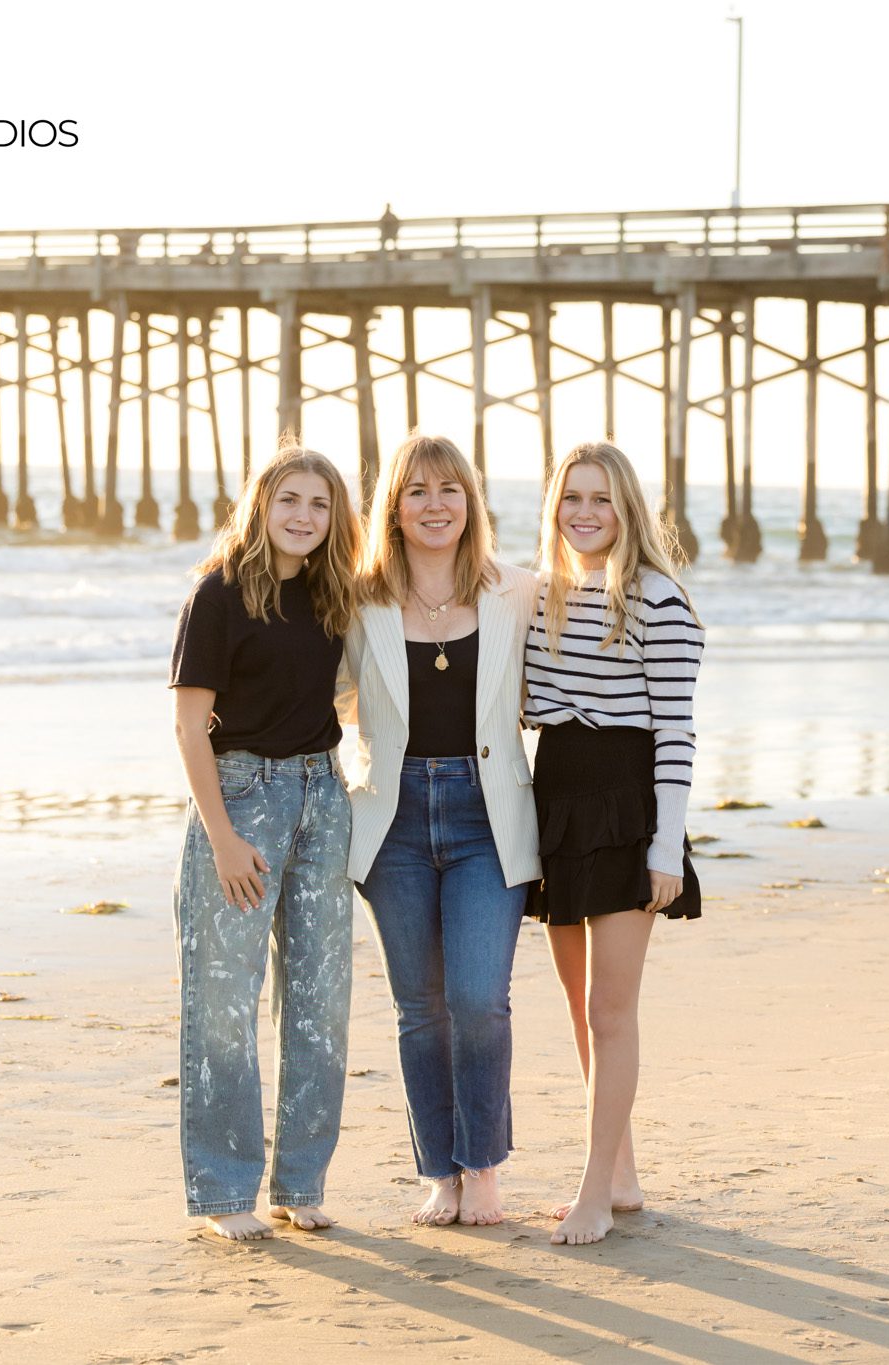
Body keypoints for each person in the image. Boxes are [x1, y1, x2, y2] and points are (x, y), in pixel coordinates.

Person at [169, 444, 365, 1243]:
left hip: (325, 794)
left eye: (320, 504)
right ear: (261, 503)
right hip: (240, 798)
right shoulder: (216, 594)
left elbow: (357, 690)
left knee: (321, 1002)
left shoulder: (333, 596)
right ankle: (223, 1191)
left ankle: (301, 1182)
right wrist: (221, 838)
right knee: (222, 1004)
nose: (304, 516)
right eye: (290, 499)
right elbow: (188, 725)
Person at [344, 433, 540, 1228]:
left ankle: (483, 1163)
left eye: (449, 490)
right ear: (394, 506)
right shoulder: (357, 600)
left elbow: (588, 650)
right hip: (389, 820)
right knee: (420, 1006)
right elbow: (301, 690)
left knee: (478, 998)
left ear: (471, 502)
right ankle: (439, 1172)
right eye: (417, 490)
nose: (435, 505)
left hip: (486, 815)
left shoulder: (517, 593)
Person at [525, 441, 706, 1246]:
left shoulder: (659, 600)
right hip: (556, 794)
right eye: (572, 497)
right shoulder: (543, 597)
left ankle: (594, 1190)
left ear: (627, 507)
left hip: (627, 805)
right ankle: (622, 1169)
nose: (585, 512)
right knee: (578, 1004)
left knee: (612, 1008)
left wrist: (665, 847)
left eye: (601, 497)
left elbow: (676, 734)